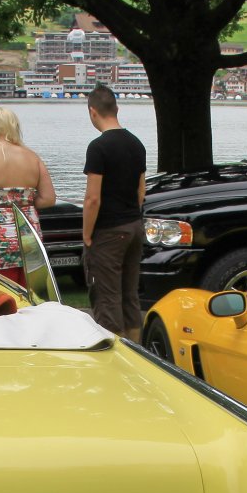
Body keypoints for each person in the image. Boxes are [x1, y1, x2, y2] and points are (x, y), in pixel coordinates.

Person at [82, 84, 146, 339]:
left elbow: (92, 199)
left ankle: (114, 356)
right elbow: (141, 191)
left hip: (108, 231)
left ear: (92, 111)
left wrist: (87, 235)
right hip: (134, 227)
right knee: (130, 296)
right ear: (116, 109)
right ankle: (137, 352)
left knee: (107, 298)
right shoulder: (136, 144)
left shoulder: (98, 147)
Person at [0, 107, 57, 284]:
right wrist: (24, 201)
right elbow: (49, 198)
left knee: (2, 289)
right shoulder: (33, 157)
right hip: (30, 232)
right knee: (29, 291)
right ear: (15, 127)